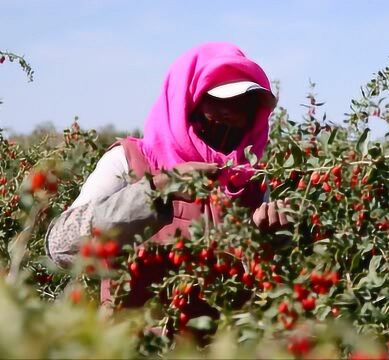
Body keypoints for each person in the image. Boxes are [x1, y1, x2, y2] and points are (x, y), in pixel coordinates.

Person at [44, 42, 290, 308]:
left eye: (243, 105)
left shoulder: (250, 182)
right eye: (218, 101)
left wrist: (262, 238)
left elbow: (260, 284)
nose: (230, 114)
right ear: (188, 101)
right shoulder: (129, 162)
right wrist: (156, 190)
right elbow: (61, 247)